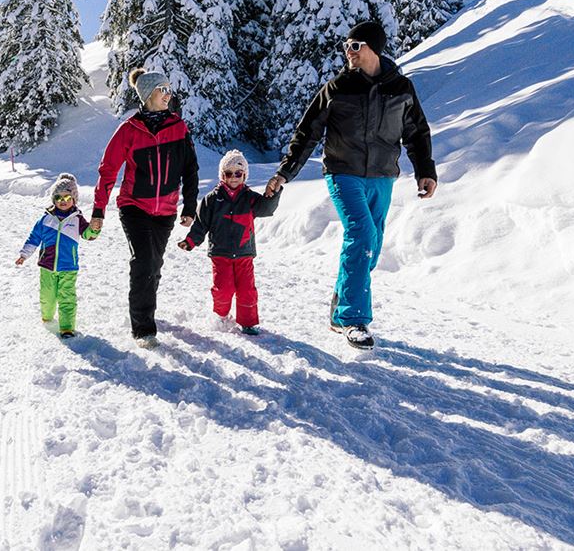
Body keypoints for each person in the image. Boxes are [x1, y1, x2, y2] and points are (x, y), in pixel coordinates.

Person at [265, 20, 438, 349]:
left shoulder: (401, 88)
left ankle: (344, 297)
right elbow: (307, 133)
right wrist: (286, 172)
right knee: (361, 234)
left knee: (370, 248)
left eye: (354, 46)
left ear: (373, 48)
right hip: (342, 172)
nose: (348, 52)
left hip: (383, 175)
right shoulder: (337, 88)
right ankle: (354, 318)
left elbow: (416, 132)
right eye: (346, 46)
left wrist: (424, 170)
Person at [90, 68, 199, 348]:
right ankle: (143, 328)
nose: (168, 95)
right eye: (163, 90)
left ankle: (146, 307)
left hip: (165, 210)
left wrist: (189, 205)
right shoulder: (129, 130)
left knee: (154, 263)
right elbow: (108, 171)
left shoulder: (178, 127)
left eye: (169, 90)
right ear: (149, 94)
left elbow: (190, 168)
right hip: (134, 207)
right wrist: (99, 211)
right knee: (143, 262)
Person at [177, 149, 280, 336]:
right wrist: (191, 241)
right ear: (222, 175)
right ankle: (220, 315)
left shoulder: (250, 198)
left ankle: (248, 322)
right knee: (223, 288)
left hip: (244, 253)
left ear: (244, 175)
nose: (233, 177)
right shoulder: (212, 199)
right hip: (220, 253)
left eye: (238, 174)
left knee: (247, 290)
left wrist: (273, 194)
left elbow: (266, 209)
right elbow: (201, 224)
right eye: (228, 173)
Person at [16, 173, 94, 338]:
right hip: (47, 265)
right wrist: (24, 254)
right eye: (58, 197)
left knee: (67, 297)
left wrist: (94, 228)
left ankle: (66, 328)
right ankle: (47, 317)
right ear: (53, 199)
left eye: (67, 197)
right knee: (47, 295)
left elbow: (88, 235)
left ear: (74, 199)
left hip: (68, 267)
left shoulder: (77, 219)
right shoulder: (45, 219)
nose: (63, 201)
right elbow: (34, 238)